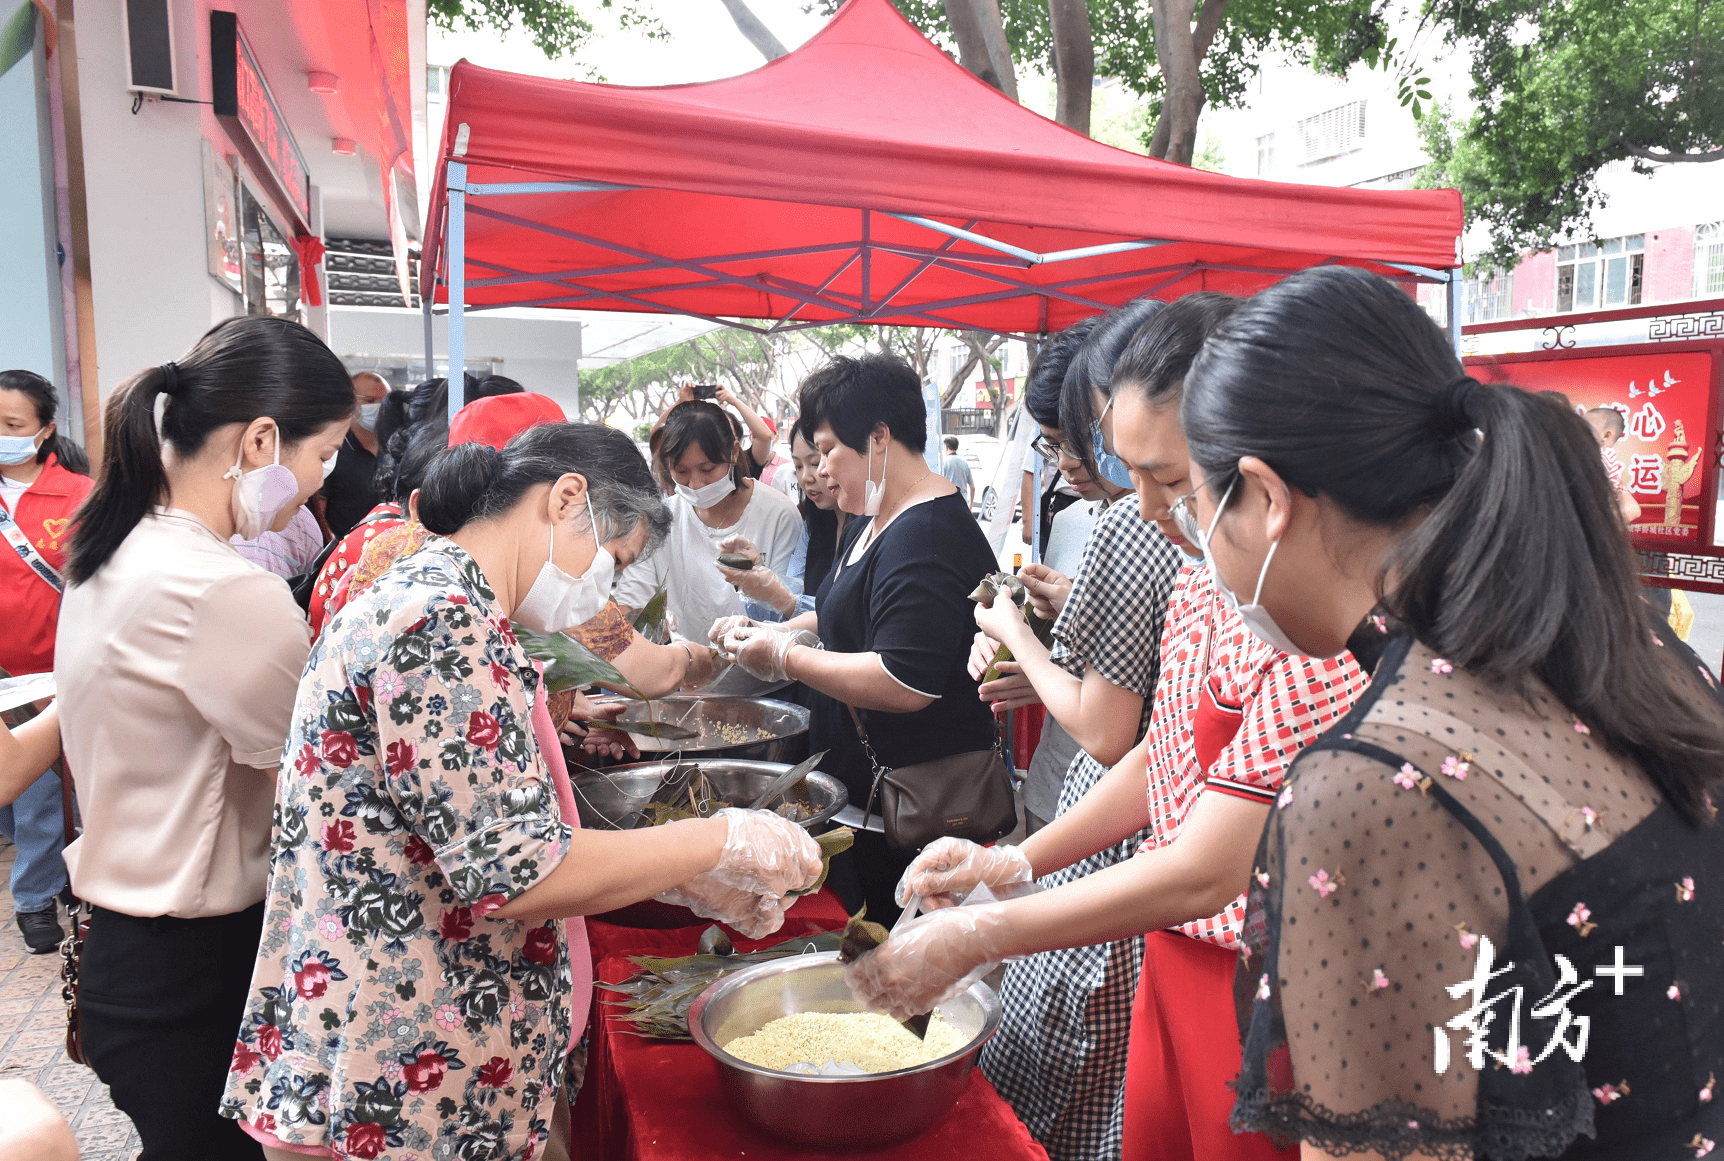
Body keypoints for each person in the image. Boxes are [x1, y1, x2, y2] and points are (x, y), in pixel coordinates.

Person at [1174, 265, 1724, 1161]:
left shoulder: (1377, 789)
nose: (1201, 548)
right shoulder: (1636, 652)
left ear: (1266, 498)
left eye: (1196, 506)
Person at [846, 294, 1373, 1161]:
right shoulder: (1210, 582)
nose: (1151, 508)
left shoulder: (1310, 622)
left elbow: (1207, 866)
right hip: (1172, 953)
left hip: (1265, 982)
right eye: (1130, 473)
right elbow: (1160, 761)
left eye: (1172, 479)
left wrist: (985, 926)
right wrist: (1014, 862)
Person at [220, 425, 821, 1160]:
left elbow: (481, 831)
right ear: (567, 498)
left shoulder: (449, 603)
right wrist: (717, 838)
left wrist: (689, 875)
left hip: (415, 1060)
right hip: (402, 1075)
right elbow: (517, 869)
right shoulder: (438, 620)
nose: (604, 584)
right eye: (615, 558)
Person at [54, 316, 356, 1158]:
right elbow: (321, 778)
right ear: (262, 440)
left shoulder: (109, 549)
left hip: (123, 947)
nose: (315, 481)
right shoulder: (224, 591)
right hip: (198, 964)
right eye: (320, 453)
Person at [969, 303, 1195, 1161]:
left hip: (1135, 868)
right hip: (1127, 849)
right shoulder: (1187, 552)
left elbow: (1111, 732)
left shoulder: (1138, 529)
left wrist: (1016, 631)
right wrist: (1017, 867)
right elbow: (1159, 736)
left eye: (1074, 438)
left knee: (1076, 1087)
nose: (1152, 502)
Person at [713, 354, 999, 923]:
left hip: (909, 814)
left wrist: (787, 657)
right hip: (862, 801)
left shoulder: (928, 534)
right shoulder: (876, 518)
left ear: (880, 437)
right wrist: (770, 631)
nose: (819, 469)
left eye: (827, 451)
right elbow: (845, 617)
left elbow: (903, 682)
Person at [0, 369, 91, 953]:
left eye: (12, 425)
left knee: (77, 782)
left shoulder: (80, 495)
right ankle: (34, 899)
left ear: (45, 430)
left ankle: (68, 883)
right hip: (5, 673)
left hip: (69, 666)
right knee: (30, 793)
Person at [616, 399, 803, 652]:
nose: (695, 484)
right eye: (680, 471)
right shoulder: (661, 520)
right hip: (689, 676)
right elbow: (631, 600)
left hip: (771, 679)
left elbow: (795, 611)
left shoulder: (778, 514)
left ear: (734, 452)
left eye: (707, 468)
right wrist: (644, 623)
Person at [319, 369, 390, 539]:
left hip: (390, 550)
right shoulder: (332, 450)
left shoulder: (396, 449)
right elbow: (319, 509)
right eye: (369, 401)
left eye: (385, 401)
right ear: (350, 402)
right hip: (344, 554)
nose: (378, 408)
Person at [1585, 405, 1641, 524]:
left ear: (1606, 435)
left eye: (1586, 428)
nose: (1579, 431)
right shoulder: (1604, 453)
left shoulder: (1601, 454)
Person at [940, 435, 975, 506]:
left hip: (949, 502)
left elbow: (940, 484)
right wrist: (970, 505)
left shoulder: (944, 462)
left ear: (946, 447)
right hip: (963, 502)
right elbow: (972, 487)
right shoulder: (965, 462)